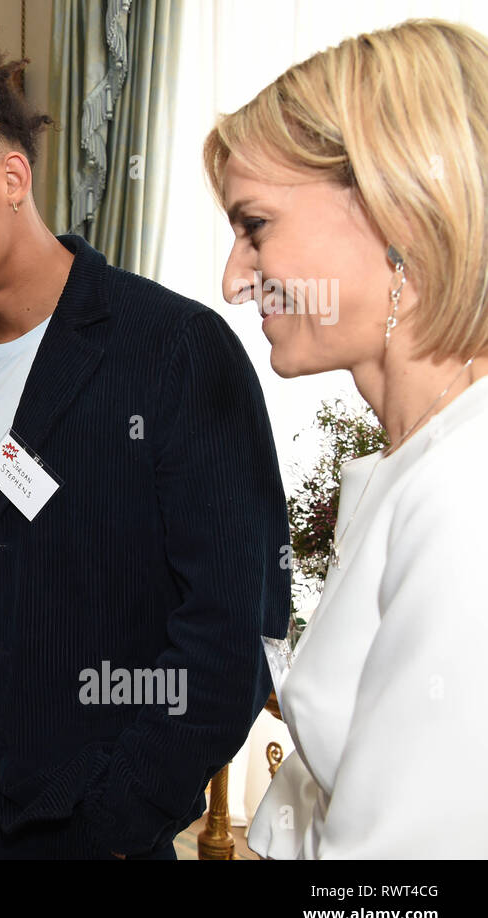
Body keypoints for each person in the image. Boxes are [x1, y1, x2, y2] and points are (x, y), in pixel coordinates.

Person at [0, 29, 290, 858]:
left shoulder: (174, 352)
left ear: (13, 177)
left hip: (73, 812)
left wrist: (119, 816)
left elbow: (233, 634)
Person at [205, 18, 488, 858]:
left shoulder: (464, 493)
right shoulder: (416, 464)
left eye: (255, 225)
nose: (231, 278)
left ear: (400, 209)